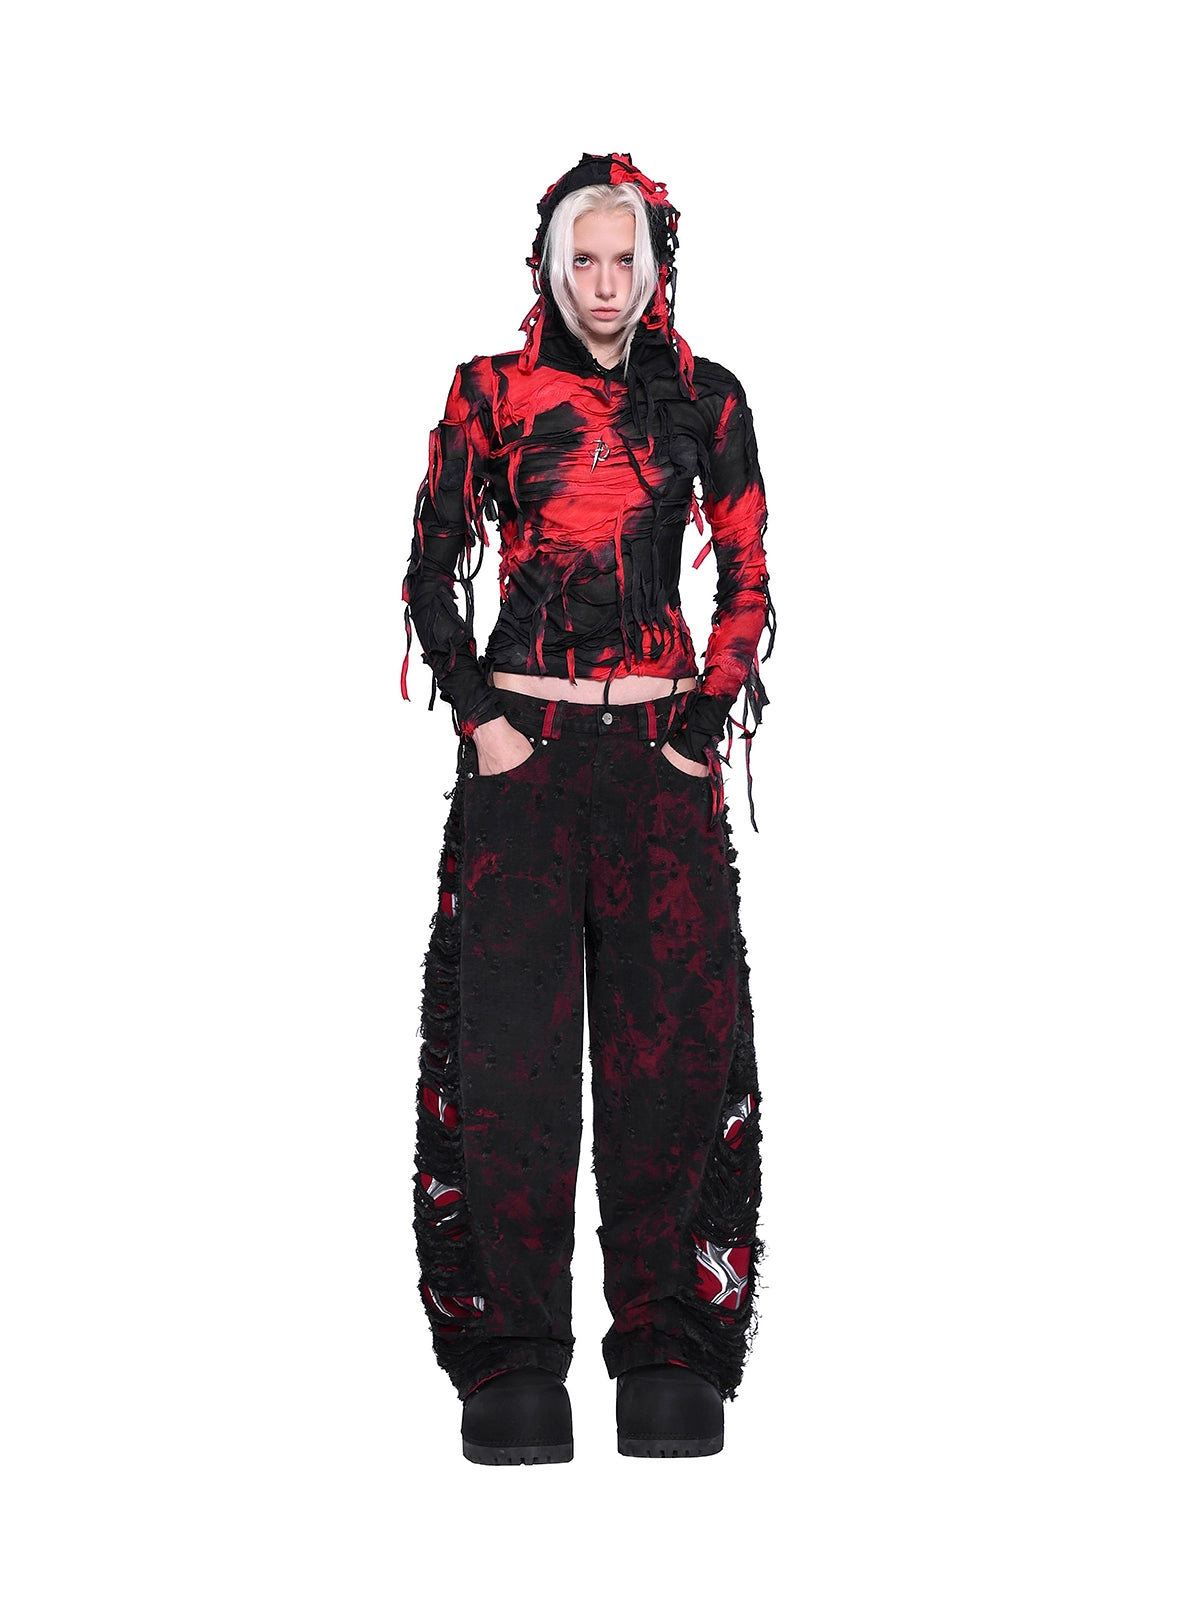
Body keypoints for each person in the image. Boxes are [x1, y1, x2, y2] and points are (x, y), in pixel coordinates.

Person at [402, 152, 776, 1463]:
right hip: (526, 759)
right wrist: (484, 719)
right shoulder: (490, 394)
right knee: (508, 1055)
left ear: (655, 267)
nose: (606, 285)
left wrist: (698, 726)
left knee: (673, 1051)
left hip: (658, 764)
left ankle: (670, 1349)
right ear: (552, 268)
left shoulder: (706, 400)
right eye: (585, 261)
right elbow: (430, 568)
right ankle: (512, 1361)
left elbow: (747, 571)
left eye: (626, 261)